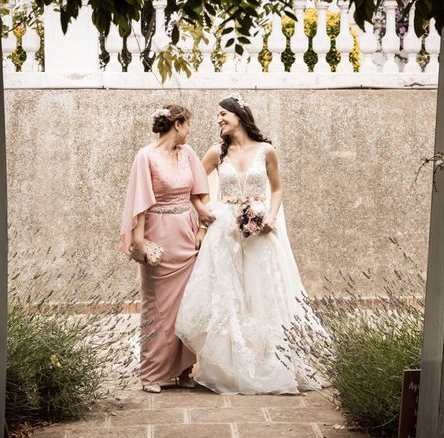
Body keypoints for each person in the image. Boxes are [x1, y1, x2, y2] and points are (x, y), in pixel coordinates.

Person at [175, 94, 328, 395]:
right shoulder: (215, 154)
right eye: (217, 116)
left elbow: (277, 188)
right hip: (225, 234)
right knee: (230, 295)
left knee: (263, 293)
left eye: (223, 115)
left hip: (260, 232)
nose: (218, 120)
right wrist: (203, 210)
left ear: (239, 115)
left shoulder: (266, 150)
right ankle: (231, 365)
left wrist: (270, 215)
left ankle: (269, 358)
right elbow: (192, 185)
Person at [120, 104, 213, 394]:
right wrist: (138, 243)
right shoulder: (145, 156)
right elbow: (140, 204)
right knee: (155, 305)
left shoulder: (188, 154)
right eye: (188, 125)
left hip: (186, 234)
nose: (190, 130)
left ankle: (185, 371)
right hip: (158, 234)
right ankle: (151, 373)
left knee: (188, 303)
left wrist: (202, 229)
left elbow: (200, 195)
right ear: (178, 124)